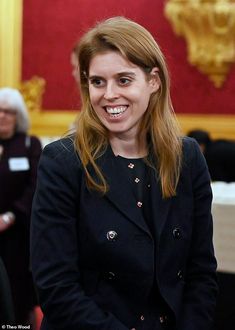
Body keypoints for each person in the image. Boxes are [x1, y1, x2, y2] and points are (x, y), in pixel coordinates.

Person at [31, 17, 218, 330]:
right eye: (98, 82)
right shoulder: (62, 162)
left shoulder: (187, 158)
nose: (109, 95)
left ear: (153, 81)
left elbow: (201, 275)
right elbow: (56, 287)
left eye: (124, 80)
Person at [0, 88, 42, 325]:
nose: (2, 116)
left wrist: (10, 216)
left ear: (19, 117)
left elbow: (35, 187)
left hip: (17, 234)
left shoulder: (29, 144)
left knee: (15, 292)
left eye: (9, 112)